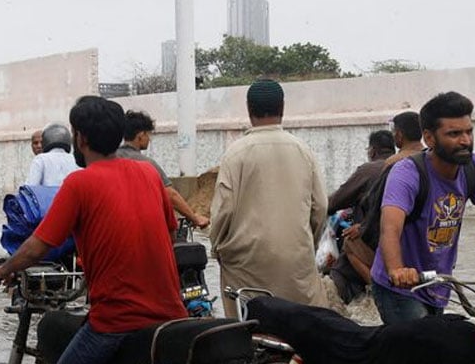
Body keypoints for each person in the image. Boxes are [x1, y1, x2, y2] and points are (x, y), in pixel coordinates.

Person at [0, 96, 187, 364]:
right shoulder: (148, 174)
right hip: (171, 316)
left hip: (116, 321)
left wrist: (4, 270)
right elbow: (170, 235)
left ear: (80, 138)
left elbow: (39, 245)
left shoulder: (80, 184)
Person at [372, 91, 475, 324]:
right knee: (421, 349)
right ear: (429, 138)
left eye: (469, 131)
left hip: (439, 283)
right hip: (400, 288)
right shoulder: (407, 173)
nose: (466, 141)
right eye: (454, 134)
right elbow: (390, 229)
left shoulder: (474, 168)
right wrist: (398, 270)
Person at [210, 79, 328, 315]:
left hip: (246, 262)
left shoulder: (236, 153)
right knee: (304, 327)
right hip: (296, 261)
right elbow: (321, 207)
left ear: (248, 108)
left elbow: (224, 211)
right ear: (282, 108)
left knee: (247, 329)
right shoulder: (302, 150)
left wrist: (217, 248)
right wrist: (306, 244)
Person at [326, 129, 395, 302]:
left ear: (372, 151)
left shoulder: (369, 170)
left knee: (342, 265)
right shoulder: (408, 165)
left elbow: (335, 201)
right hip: (399, 246)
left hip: (371, 241)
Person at [116, 110, 210, 229]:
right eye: (148, 134)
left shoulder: (110, 159)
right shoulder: (146, 164)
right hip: (140, 227)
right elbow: (171, 195)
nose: (149, 139)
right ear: (141, 135)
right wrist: (194, 218)